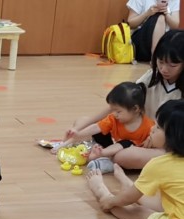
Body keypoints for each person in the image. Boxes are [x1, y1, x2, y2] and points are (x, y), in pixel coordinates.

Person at [66, 29, 184, 170]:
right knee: (82, 122)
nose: (164, 69)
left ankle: (109, 156)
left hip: (164, 145)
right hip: (136, 133)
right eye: (160, 61)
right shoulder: (151, 76)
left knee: (124, 157)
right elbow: (118, 104)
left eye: (172, 65)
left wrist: (156, 138)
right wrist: (77, 130)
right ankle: (107, 154)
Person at [87, 99, 184, 219]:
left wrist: (109, 201)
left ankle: (102, 192)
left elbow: (127, 199)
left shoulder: (159, 164)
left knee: (139, 213)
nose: (151, 129)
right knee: (167, 198)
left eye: (158, 127)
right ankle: (129, 184)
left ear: (173, 136)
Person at [52, 82, 154, 174]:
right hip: (112, 147)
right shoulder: (114, 119)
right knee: (85, 123)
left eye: (118, 111)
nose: (115, 114)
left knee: (126, 143)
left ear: (135, 109)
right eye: (113, 110)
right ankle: (93, 151)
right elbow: (96, 127)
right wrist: (77, 134)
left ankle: (102, 155)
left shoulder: (149, 126)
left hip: (128, 155)